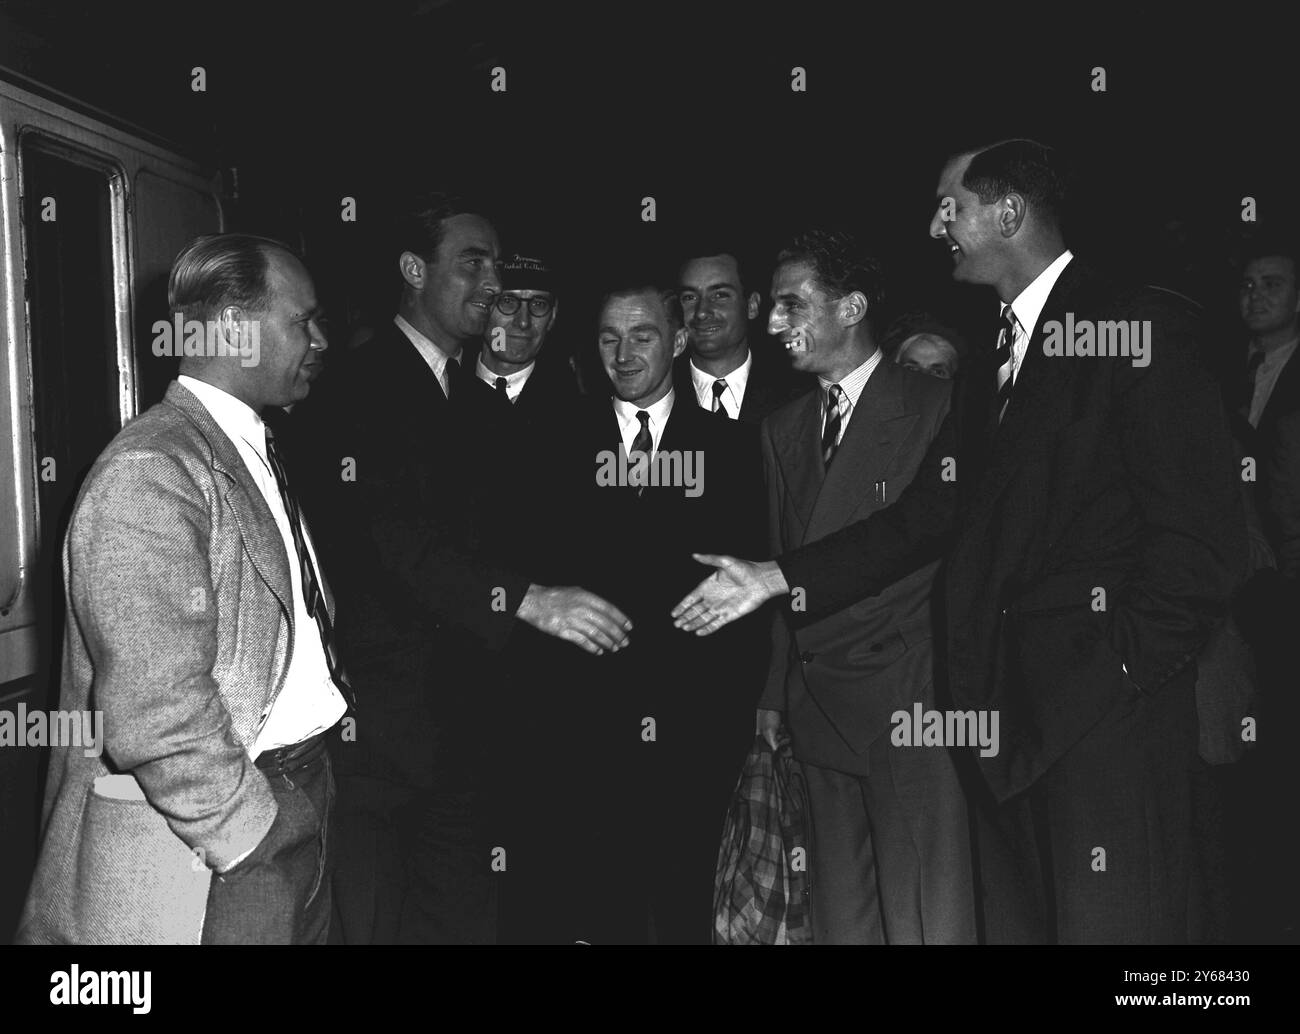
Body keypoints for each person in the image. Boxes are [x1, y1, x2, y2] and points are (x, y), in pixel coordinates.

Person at [673, 139, 1246, 944]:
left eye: (952, 205)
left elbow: (1201, 545)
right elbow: (926, 517)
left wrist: (1117, 669)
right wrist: (776, 576)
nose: (935, 223)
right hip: (1012, 728)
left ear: (1008, 214)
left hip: (1108, 723)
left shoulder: (1132, 325)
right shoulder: (991, 364)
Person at [295, 193, 631, 944]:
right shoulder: (355, 388)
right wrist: (527, 600)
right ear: (414, 270)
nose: (491, 284)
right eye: (472, 263)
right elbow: (392, 540)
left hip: (466, 736)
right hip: (379, 742)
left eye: (496, 265)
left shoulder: (469, 400)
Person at [20, 234, 347, 944]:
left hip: (299, 793)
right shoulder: (151, 468)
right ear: (232, 327)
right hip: (228, 827)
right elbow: (153, 704)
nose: (321, 340)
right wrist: (246, 837)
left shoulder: (244, 445)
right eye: (304, 321)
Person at [757, 229, 975, 943]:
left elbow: (941, 548)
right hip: (818, 705)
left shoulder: (939, 405)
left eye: (793, 304)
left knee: (925, 914)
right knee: (843, 922)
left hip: (908, 703)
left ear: (851, 308)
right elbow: (782, 572)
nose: (773, 323)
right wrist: (774, 696)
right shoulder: (782, 428)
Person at [563, 275, 766, 942]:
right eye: (609, 338)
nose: (624, 355)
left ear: (678, 340)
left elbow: (753, 594)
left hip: (698, 728)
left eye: (643, 336)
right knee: (603, 903)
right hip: (591, 727)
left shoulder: (738, 449)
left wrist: (731, 719)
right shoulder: (556, 444)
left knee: (689, 903)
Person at [674, 246, 810, 423]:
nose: (701, 312)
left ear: (752, 306)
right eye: (689, 297)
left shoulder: (800, 394)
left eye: (719, 295)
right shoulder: (653, 391)